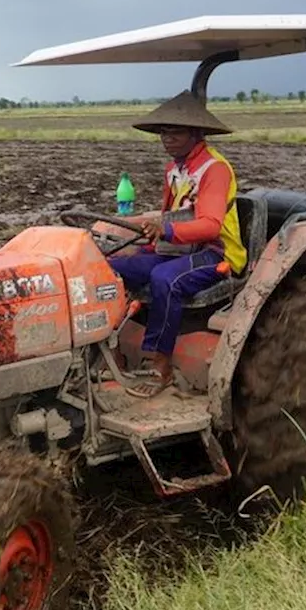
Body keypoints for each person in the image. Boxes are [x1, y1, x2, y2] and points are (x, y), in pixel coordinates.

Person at [109, 90, 247, 397]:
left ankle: (160, 364)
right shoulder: (174, 169)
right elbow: (171, 215)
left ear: (196, 134)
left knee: (164, 279)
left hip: (215, 251)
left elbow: (210, 224)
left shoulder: (214, 169)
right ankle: (109, 350)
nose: (167, 139)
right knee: (111, 268)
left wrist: (166, 231)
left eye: (176, 132)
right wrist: (153, 238)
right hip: (179, 248)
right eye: (163, 132)